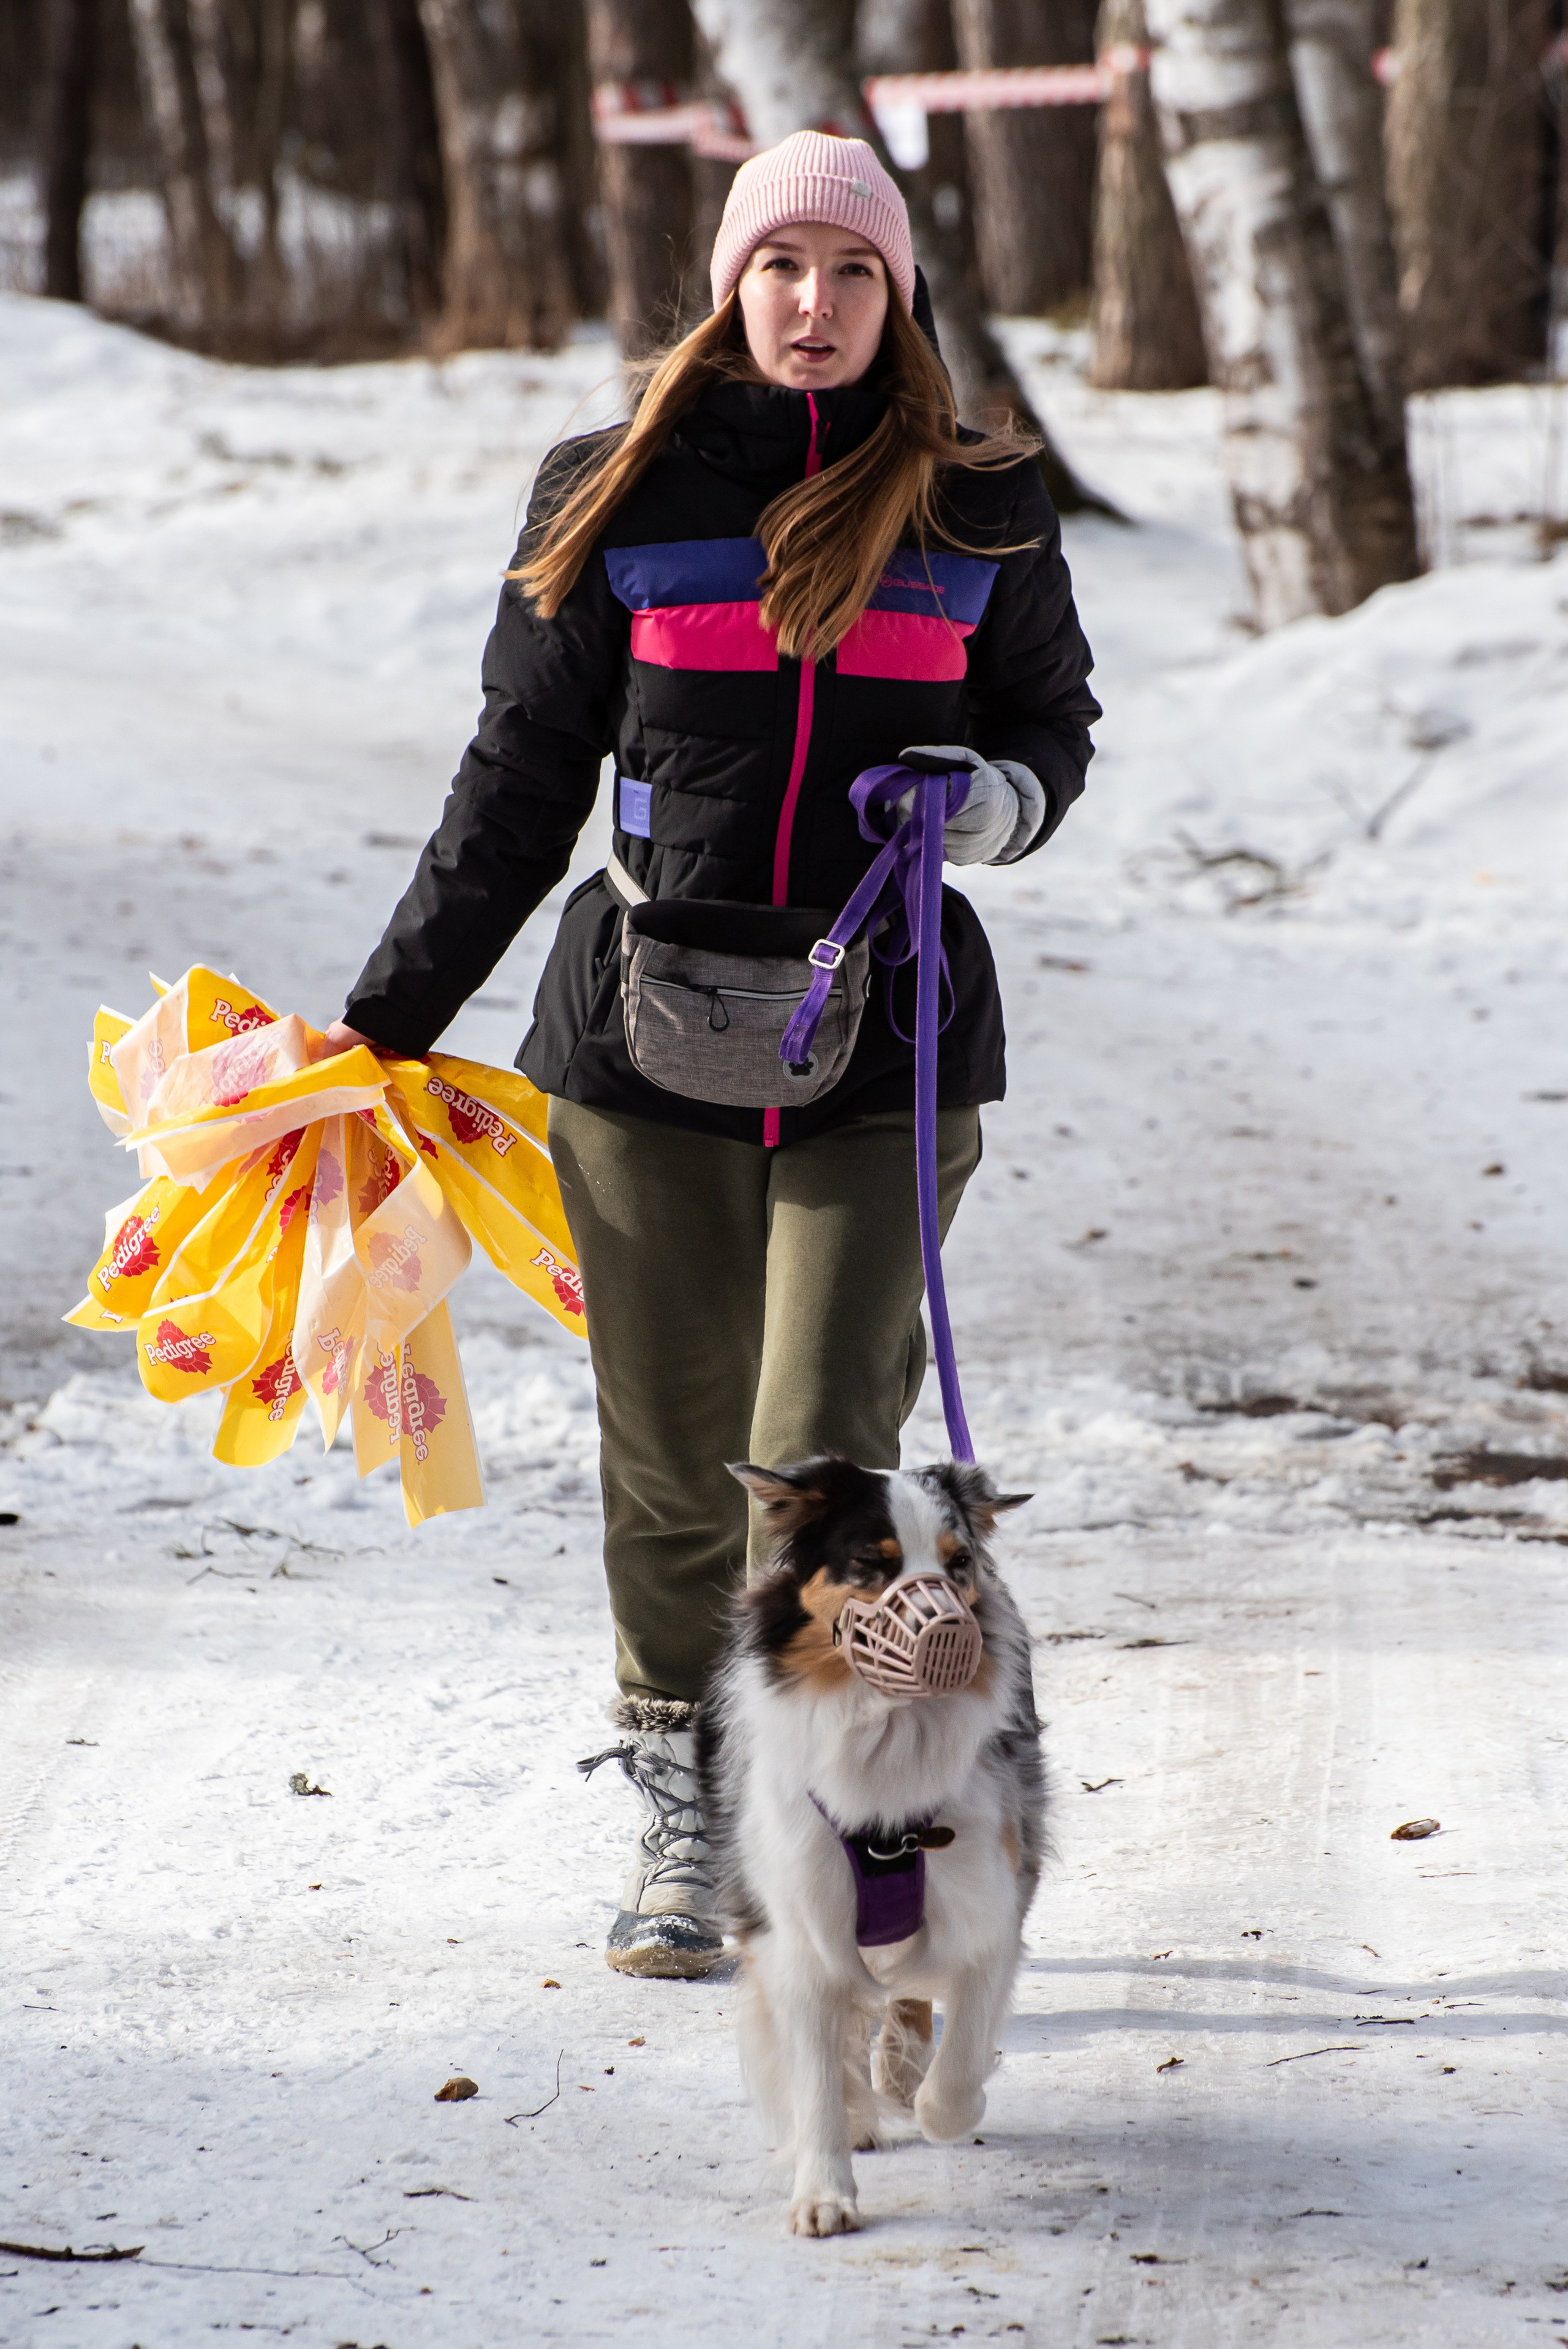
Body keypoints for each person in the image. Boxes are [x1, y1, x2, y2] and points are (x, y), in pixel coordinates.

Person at [323, 130, 1099, 1979]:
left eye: (851, 275)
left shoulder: (979, 505)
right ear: (730, 288)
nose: (812, 307)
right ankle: (691, 1802)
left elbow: (1056, 735)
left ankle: (845, 1803)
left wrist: (991, 798)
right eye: (780, 271)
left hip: (891, 1041)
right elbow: (518, 779)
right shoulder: (618, 489)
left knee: (822, 1447)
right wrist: (385, 1021)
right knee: (675, 1458)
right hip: (643, 1036)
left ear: (897, 296)